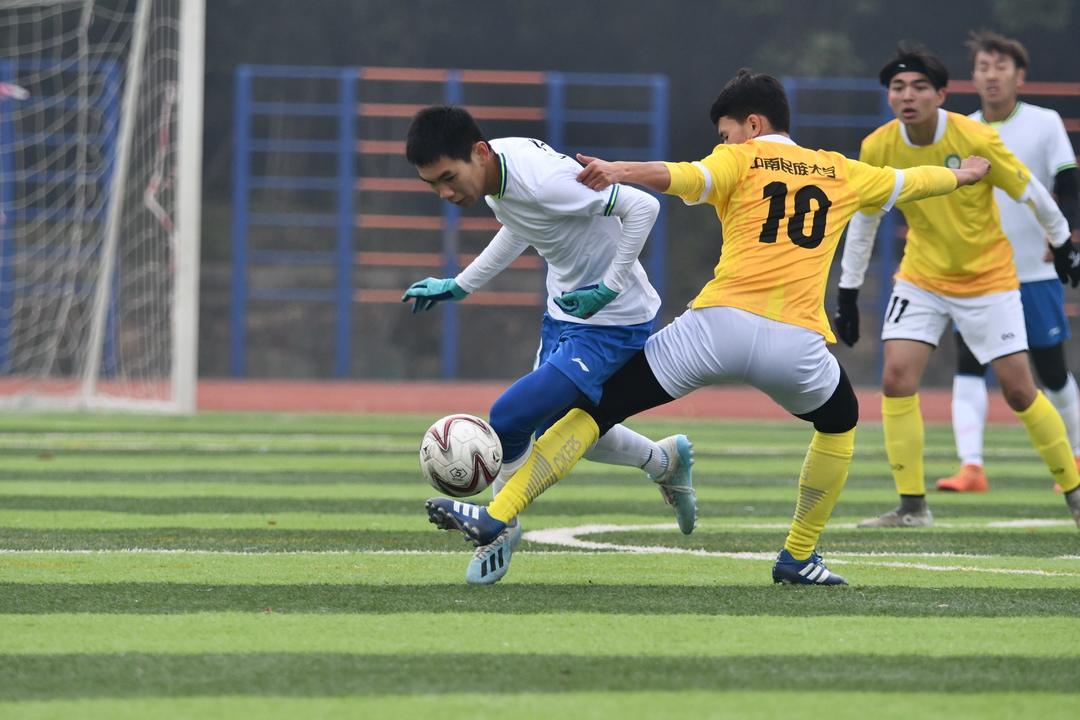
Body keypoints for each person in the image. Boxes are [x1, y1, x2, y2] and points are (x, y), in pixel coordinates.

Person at [425, 69, 992, 585]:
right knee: (840, 423)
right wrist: (963, 174)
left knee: (595, 411)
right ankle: (799, 556)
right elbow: (914, 181)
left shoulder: (739, 160)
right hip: (797, 345)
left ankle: (497, 513)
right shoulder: (843, 171)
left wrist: (617, 170)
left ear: (753, 125)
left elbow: (678, 177)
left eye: (727, 133)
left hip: (716, 328)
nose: (724, 142)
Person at [402, 105, 696, 586]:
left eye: (449, 179)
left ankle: (499, 526)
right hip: (565, 315)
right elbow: (522, 226)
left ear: (479, 153)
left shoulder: (543, 181)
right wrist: (460, 285)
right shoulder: (496, 176)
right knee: (563, 430)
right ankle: (663, 461)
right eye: (433, 185)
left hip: (613, 322)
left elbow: (644, 207)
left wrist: (609, 288)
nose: (446, 194)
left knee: (509, 416)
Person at [834, 41, 1080, 528]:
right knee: (895, 379)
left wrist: (1064, 242)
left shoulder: (975, 136)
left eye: (919, 87)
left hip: (988, 279)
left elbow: (1030, 190)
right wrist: (847, 291)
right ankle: (912, 508)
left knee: (1020, 391)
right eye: (898, 87)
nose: (908, 96)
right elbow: (864, 221)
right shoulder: (878, 145)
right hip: (922, 277)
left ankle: (1074, 494)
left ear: (942, 94)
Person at [937, 30, 1080, 493]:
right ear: (973, 77)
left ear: (1020, 76)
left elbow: (1068, 184)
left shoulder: (1044, 122)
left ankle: (1076, 457)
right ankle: (971, 468)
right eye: (983, 67)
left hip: (1034, 269)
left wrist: (1064, 236)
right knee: (968, 364)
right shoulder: (961, 129)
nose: (991, 75)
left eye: (1001, 67)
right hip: (978, 273)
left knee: (1051, 370)